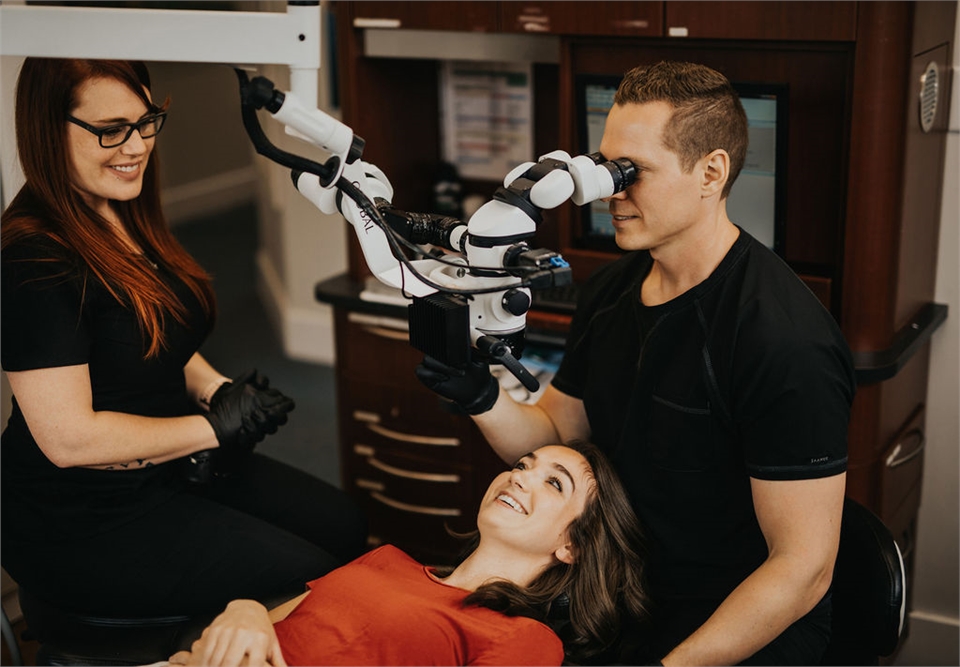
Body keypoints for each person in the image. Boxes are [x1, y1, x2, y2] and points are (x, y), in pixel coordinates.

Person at [416, 61, 857, 665]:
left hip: (737, 617)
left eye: (633, 172)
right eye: (606, 170)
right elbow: (558, 435)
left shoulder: (782, 342)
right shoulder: (610, 291)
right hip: (622, 590)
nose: (611, 192)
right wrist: (480, 397)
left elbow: (803, 569)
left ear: (711, 172)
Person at [0, 58, 367, 619]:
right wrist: (214, 428)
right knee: (310, 583)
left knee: (345, 525)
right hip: (78, 519)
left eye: (146, 121)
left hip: (173, 464)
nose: (136, 146)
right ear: (48, 130)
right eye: (110, 130)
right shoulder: (34, 260)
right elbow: (69, 440)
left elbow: (150, 333)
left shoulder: (121, 205)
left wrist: (216, 390)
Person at [167, 441, 649, 667]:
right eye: (524, 464)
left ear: (573, 546)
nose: (519, 475)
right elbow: (273, 622)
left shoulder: (526, 640)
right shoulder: (387, 560)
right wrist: (244, 608)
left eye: (553, 482)